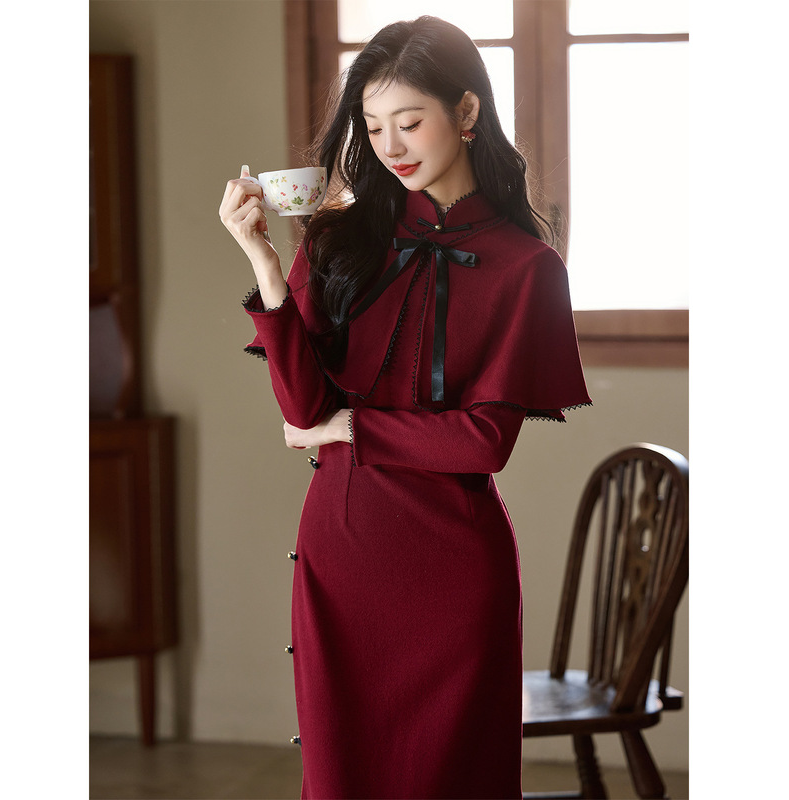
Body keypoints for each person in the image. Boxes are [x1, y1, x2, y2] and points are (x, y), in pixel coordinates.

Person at [219, 16, 590, 800]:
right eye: (373, 124)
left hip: (455, 578)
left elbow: (484, 442)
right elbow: (302, 408)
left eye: (410, 121)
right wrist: (266, 262)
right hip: (343, 558)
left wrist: (351, 427)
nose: (390, 145)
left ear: (466, 110)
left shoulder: (528, 267)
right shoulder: (339, 240)